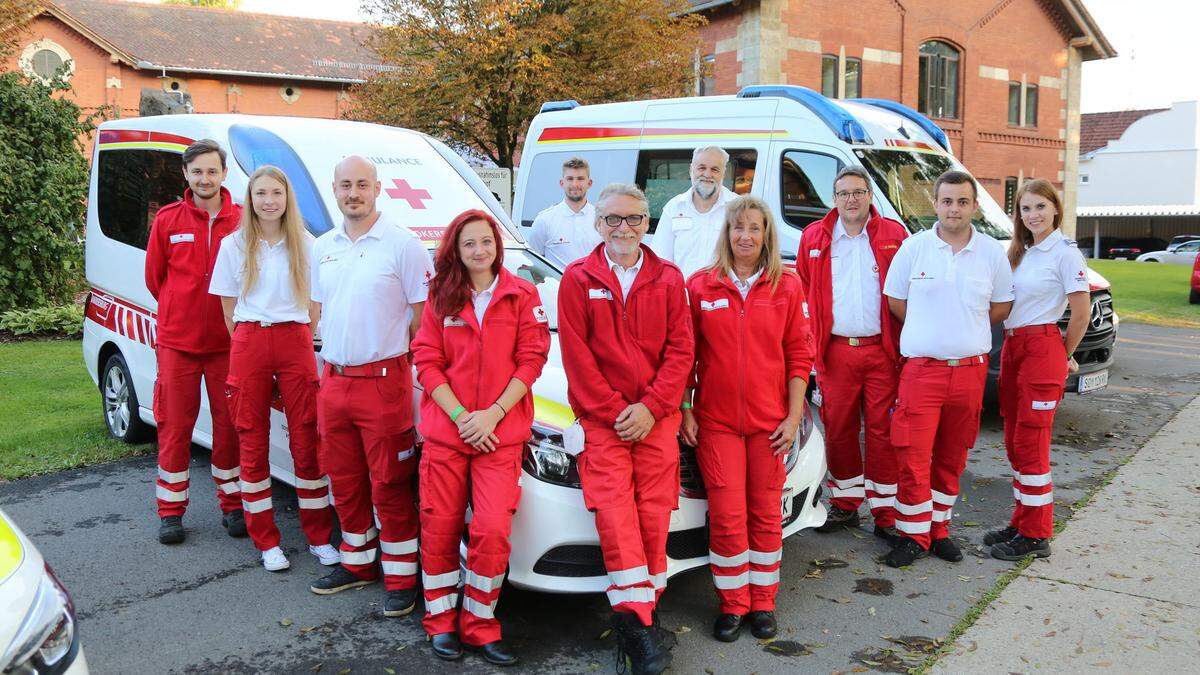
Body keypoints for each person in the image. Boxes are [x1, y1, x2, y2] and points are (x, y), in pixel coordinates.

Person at [558, 183, 693, 675]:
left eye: (634, 219)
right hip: (604, 422)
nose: (624, 228)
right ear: (598, 224)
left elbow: (682, 351)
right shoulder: (577, 279)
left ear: (647, 223)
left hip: (655, 421)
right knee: (616, 518)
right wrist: (619, 412)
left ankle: (640, 619)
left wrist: (652, 408)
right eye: (613, 219)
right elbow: (577, 357)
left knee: (654, 518)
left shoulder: (668, 277)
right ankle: (639, 630)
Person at [411, 210, 550, 666]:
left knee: (491, 530)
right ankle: (440, 622)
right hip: (448, 435)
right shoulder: (441, 294)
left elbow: (532, 360)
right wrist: (461, 416)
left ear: (497, 244)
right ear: (456, 248)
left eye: (485, 242)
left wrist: (491, 415)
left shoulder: (522, 292)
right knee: (440, 527)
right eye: (468, 243)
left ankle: (480, 624)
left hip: (500, 435)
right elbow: (426, 360)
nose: (478, 251)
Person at [681, 196, 814, 642]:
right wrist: (686, 408)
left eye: (754, 228)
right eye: (738, 228)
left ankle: (763, 603)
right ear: (727, 233)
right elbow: (686, 356)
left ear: (766, 235)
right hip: (716, 424)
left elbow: (800, 357)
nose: (745, 236)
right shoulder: (700, 286)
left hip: (770, 425)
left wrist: (794, 418)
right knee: (726, 515)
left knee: (764, 514)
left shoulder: (788, 286)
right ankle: (733, 604)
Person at [308, 156, 435, 618]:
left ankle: (401, 576)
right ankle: (358, 562)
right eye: (346, 185)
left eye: (362, 184)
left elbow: (423, 318)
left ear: (377, 188)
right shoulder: (323, 246)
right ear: (335, 189)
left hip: (384, 381)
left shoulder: (403, 246)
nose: (353, 193)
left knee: (390, 482)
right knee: (344, 480)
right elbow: (316, 310)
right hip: (335, 381)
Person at [208, 165, 340, 572]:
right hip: (250, 337)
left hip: (295, 337)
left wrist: (299, 332)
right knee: (251, 438)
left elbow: (316, 303)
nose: (269, 201)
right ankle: (266, 540)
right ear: (251, 198)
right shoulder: (234, 245)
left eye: (276, 194)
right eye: (261, 193)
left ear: (287, 198)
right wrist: (252, 339)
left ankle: (318, 536)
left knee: (305, 436)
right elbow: (228, 308)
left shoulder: (306, 243)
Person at [881, 170, 1014, 568]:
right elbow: (896, 302)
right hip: (923, 371)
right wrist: (932, 332)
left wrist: (964, 330)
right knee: (912, 454)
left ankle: (939, 530)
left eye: (962, 201)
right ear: (935, 204)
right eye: (946, 201)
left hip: (969, 372)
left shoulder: (992, 253)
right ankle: (912, 534)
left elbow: (1001, 306)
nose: (953, 208)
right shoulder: (913, 248)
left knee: (952, 456)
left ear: (974, 206)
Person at [794, 167, 907, 543]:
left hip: (882, 351)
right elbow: (806, 296)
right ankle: (845, 505)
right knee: (839, 429)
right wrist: (810, 350)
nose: (851, 200)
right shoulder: (815, 236)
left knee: (882, 431)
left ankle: (886, 511)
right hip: (836, 353)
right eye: (844, 193)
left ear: (870, 196)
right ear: (834, 197)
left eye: (858, 192)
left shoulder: (893, 234)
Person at [144, 139, 244, 545]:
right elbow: (155, 279)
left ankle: (233, 504)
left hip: (228, 345)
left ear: (224, 174)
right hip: (177, 344)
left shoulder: (243, 220)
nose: (205, 178)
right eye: (197, 171)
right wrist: (178, 309)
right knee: (174, 425)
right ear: (186, 174)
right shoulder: (168, 220)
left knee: (231, 426)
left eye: (212, 171)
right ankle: (171, 512)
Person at [988, 179, 1089, 561]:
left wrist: (1061, 354)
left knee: (1031, 444)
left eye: (1040, 207)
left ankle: (1036, 534)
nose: (1033, 215)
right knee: (1014, 441)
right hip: (1014, 345)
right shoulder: (1024, 252)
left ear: (1055, 209)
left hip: (1042, 345)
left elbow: (1080, 314)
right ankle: (1020, 522)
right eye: (1026, 209)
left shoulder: (1065, 253)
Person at [650, 146, 738, 278]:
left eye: (714, 169)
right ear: (691, 170)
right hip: (683, 294)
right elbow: (660, 260)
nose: (707, 174)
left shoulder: (738, 207)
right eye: (702, 168)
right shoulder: (674, 208)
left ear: (723, 173)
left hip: (723, 295)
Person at [526, 157, 600, 268]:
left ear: (589, 183)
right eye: (570, 179)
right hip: (558, 285)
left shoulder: (601, 219)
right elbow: (533, 262)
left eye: (580, 179)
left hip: (593, 285)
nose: (575, 184)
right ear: (562, 183)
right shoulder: (545, 220)